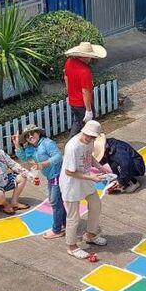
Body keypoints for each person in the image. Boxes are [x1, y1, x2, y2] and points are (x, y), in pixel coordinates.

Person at [60, 120, 109, 259]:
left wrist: (100, 167)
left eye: (93, 137)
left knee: (96, 205)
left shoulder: (90, 141)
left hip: (85, 178)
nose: (89, 138)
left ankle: (90, 235)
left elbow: (89, 155)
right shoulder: (72, 147)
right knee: (73, 217)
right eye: (88, 135)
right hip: (71, 183)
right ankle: (71, 246)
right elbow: (69, 172)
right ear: (83, 131)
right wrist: (92, 177)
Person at [13, 124, 66, 239]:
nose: (30, 136)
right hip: (51, 176)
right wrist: (17, 144)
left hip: (57, 174)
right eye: (27, 136)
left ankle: (57, 230)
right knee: (58, 202)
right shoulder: (31, 147)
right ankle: (65, 223)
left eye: (32, 133)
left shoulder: (47, 143)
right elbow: (24, 158)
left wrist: (43, 164)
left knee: (54, 202)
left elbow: (58, 157)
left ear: (38, 133)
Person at [64, 42, 107, 138]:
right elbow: (85, 91)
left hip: (73, 101)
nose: (90, 59)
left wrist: (69, 94)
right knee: (90, 128)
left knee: (78, 122)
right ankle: (91, 143)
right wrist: (88, 110)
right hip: (82, 104)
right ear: (85, 57)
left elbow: (66, 77)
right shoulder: (85, 71)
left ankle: (71, 140)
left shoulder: (69, 62)